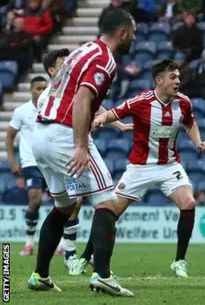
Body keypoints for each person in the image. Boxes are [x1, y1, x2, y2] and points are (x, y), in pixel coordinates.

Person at [26, 8, 136, 297]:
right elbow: (81, 100)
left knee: (63, 208)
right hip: (64, 135)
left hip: (41, 134)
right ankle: (102, 275)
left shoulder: (82, 51)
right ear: (122, 32)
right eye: (132, 33)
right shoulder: (105, 59)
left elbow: (64, 93)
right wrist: (80, 145)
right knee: (108, 203)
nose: (134, 39)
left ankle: (40, 275)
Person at [73, 59, 205, 279]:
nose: (177, 81)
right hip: (140, 167)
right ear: (159, 80)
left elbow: (190, 123)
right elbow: (114, 113)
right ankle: (86, 256)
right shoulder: (142, 101)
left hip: (169, 165)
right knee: (109, 212)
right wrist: (101, 120)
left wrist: (198, 142)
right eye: (172, 77)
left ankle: (179, 261)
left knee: (189, 203)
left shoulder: (183, 103)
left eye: (178, 77)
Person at [37, 49, 130, 268]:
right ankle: (100, 271)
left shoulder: (59, 91)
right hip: (66, 145)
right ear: (52, 71)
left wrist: (116, 123)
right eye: (64, 63)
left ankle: (44, 271)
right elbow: (84, 104)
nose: (70, 66)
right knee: (108, 202)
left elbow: (94, 106)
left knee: (66, 206)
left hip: (46, 149)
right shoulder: (55, 92)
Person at [5, 76, 48, 256]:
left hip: (52, 162)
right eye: (38, 88)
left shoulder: (53, 109)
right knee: (35, 200)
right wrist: (13, 162)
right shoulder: (21, 111)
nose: (42, 91)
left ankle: (61, 244)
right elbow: (9, 137)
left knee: (63, 204)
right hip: (31, 162)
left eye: (45, 88)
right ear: (30, 90)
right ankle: (29, 243)